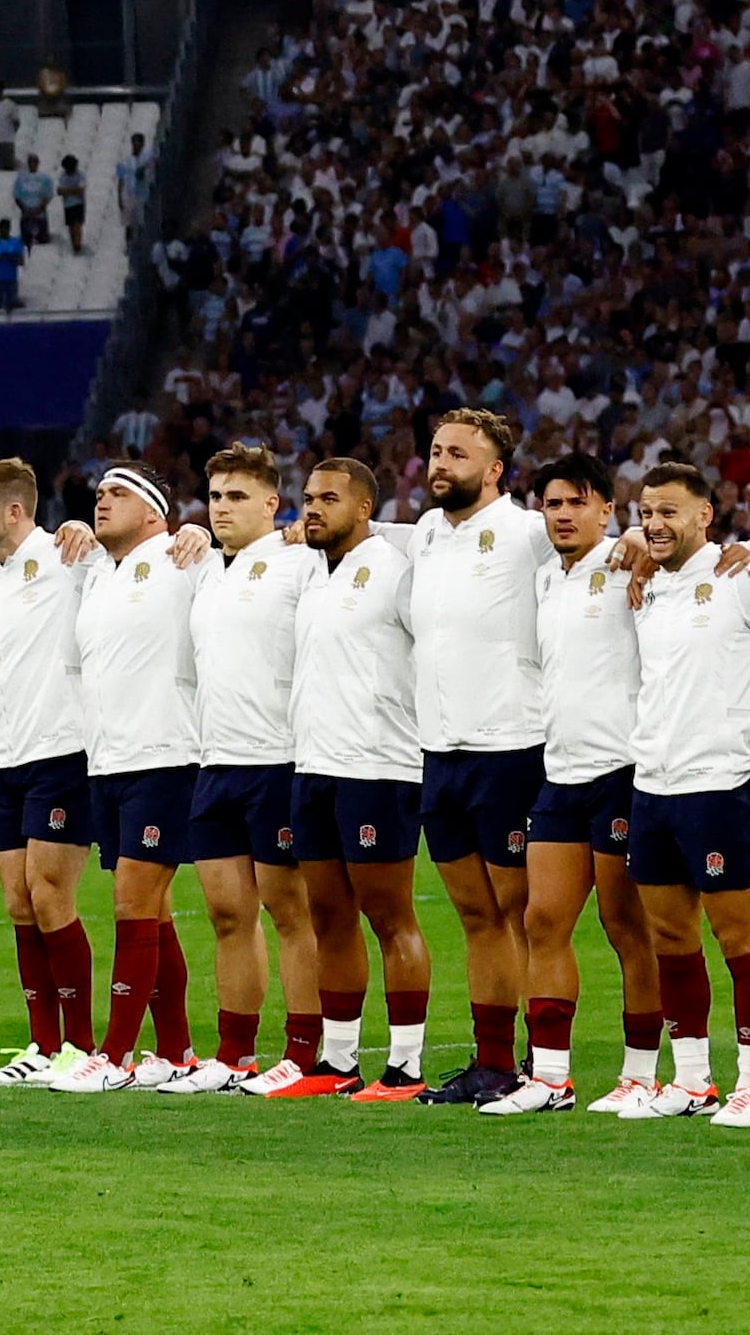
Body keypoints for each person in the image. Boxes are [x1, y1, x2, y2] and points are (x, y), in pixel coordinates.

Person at [621, 460, 750, 1122]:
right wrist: (633, 552)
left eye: (669, 512)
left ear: (705, 516)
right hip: (652, 784)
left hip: (720, 784)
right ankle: (692, 1078)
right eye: (646, 513)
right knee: (669, 936)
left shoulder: (740, 578)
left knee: (739, 938)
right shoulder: (648, 586)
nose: (655, 525)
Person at [501, 461, 664, 1114]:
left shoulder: (634, 565)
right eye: (552, 503)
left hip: (622, 769)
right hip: (559, 770)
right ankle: (550, 1076)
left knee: (627, 922)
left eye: (577, 502)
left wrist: (637, 541)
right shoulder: (543, 578)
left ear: (606, 510)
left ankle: (642, 1073)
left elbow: (685, 557)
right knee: (543, 921)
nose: (563, 514)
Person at [407, 404, 558, 1104]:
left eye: (458, 455)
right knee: (475, 916)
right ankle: (493, 1063)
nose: (441, 465)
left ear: (495, 470)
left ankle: (542, 1064)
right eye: (436, 452)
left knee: (523, 913)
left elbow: (603, 544)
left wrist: (634, 550)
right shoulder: (427, 535)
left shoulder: (530, 532)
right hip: (440, 750)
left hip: (510, 747)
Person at [280, 452, 430, 1098]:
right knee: (327, 915)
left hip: (378, 767)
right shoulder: (310, 574)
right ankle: (338, 1064)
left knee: (389, 916)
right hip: (312, 764)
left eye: (328, 499)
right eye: (308, 497)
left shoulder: (398, 569)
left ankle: (405, 1066)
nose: (311, 508)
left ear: (365, 508)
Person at [61, 465, 208, 1092]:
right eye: (98, 493)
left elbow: (252, 556)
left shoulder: (184, 560)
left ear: (154, 512)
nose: (101, 500)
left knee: (132, 902)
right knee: (156, 911)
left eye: (117, 493)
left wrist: (203, 535)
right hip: (108, 760)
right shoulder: (98, 573)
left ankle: (115, 1055)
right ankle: (175, 1051)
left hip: (163, 754)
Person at [182, 449, 311, 1090]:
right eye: (215, 495)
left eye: (237, 496)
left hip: (278, 762)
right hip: (216, 762)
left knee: (293, 914)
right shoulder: (206, 569)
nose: (222, 506)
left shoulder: (301, 561)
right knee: (227, 915)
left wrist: (306, 531)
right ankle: (234, 1056)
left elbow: (393, 544)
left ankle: (307, 1052)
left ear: (271, 504)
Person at [0, 457, 92, 1083]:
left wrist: (192, 532)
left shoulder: (70, 556)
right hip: (4, 755)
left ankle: (81, 1048)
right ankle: (43, 1047)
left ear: (14, 511)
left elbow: (145, 556)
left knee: (49, 894)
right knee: (18, 903)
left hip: (61, 750)